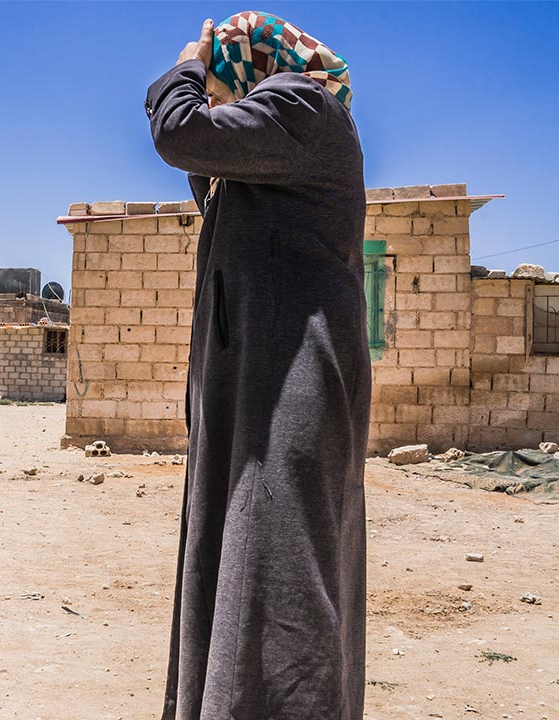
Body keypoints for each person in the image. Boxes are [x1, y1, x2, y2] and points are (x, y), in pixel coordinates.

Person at [145, 11, 369, 720]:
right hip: (257, 388)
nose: (215, 97)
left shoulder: (303, 104)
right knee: (239, 555)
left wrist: (184, 67)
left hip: (291, 385)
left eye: (219, 79)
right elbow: (206, 163)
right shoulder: (275, 149)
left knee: (280, 561)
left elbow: (181, 135)